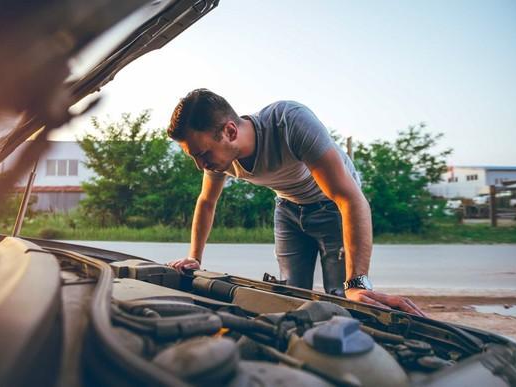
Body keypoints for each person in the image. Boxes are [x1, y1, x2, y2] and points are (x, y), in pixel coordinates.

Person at [166, 88, 425, 316]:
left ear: (230, 131)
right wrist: (194, 257)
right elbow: (207, 201)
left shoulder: (290, 121)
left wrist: (357, 283)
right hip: (287, 209)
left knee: (342, 298)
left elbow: (350, 199)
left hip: (332, 207)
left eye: (201, 154)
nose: (200, 165)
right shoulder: (217, 158)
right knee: (291, 297)